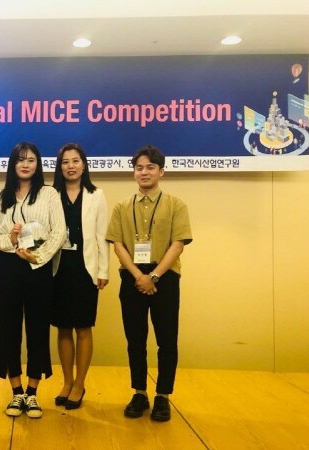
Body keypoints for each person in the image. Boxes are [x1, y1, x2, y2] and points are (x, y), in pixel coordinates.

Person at [105, 144, 192, 422]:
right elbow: (117, 244)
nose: (144, 172)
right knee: (135, 340)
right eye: (139, 167)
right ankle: (139, 392)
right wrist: (138, 276)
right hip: (132, 278)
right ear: (134, 172)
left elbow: (178, 244)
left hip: (165, 278)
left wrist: (153, 276)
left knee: (167, 341)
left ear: (161, 171)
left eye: (150, 167)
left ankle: (163, 395)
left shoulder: (176, 205)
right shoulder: (121, 207)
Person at [0, 142, 66, 419]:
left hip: (37, 266)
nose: (26, 164)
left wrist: (37, 256)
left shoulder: (49, 194)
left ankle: (32, 392)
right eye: (20, 160)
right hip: (8, 266)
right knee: (8, 327)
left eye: (31, 160)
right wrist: (11, 240)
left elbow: (59, 232)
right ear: (13, 164)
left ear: (38, 164)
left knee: (38, 328)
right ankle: (16, 391)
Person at [51, 143, 110, 410]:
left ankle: (80, 384)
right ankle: (67, 381)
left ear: (84, 165)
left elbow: (102, 236)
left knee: (83, 327)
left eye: (75, 161)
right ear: (59, 167)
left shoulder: (96, 195)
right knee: (63, 327)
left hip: (85, 268)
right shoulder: (50, 194)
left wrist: (103, 270)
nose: (71, 166)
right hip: (58, 268)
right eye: (65, 162)